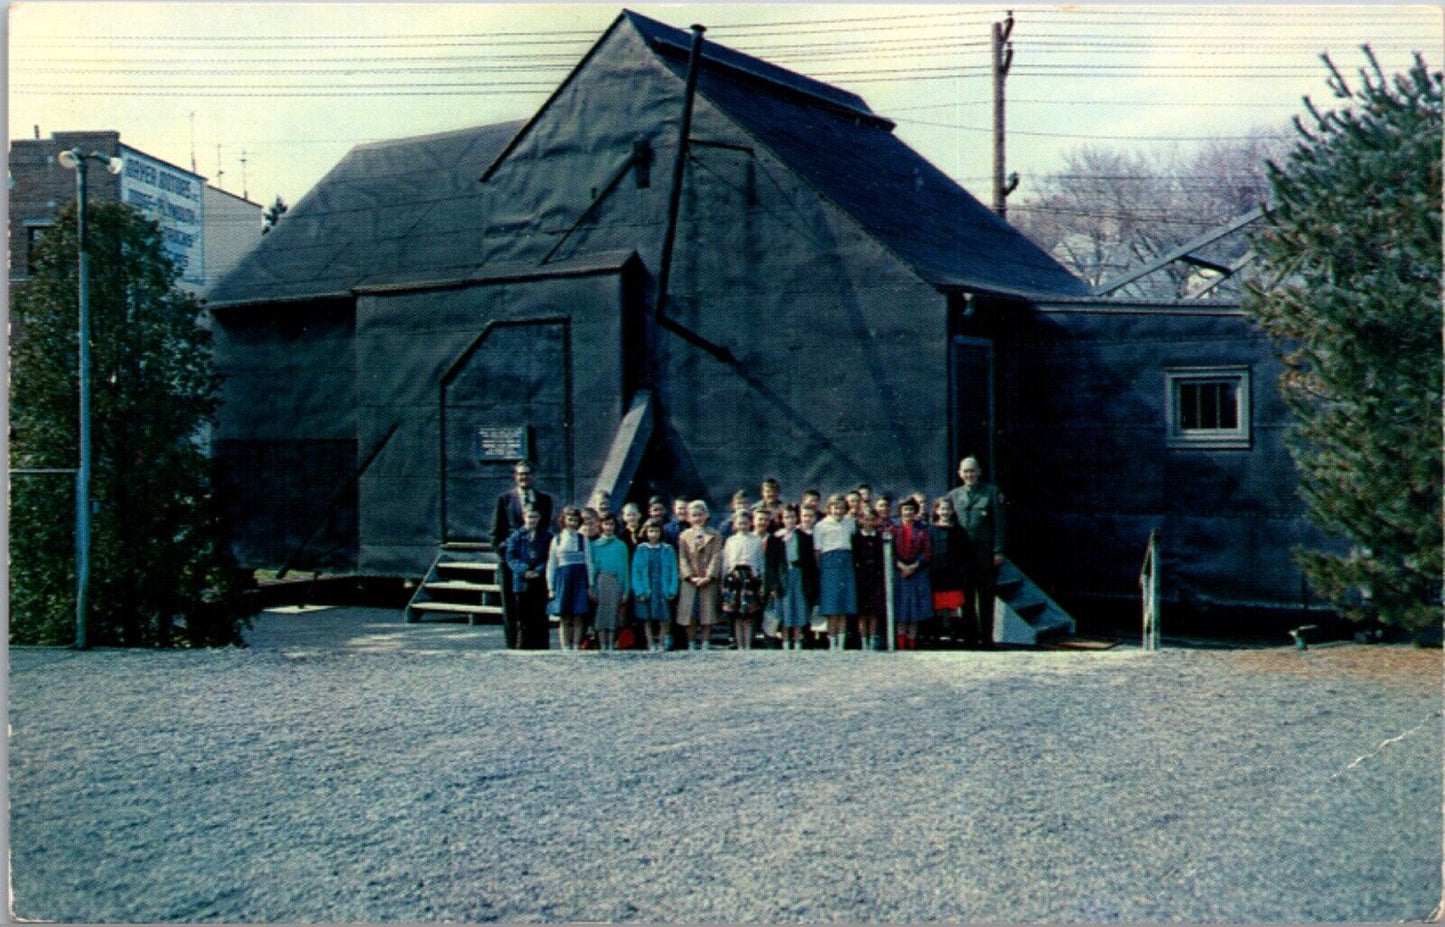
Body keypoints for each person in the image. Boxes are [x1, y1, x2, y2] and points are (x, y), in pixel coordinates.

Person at [491, 461, 555, 649]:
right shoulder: (505, 500)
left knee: (538, 606)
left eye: (527, 474)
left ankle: (539, 645)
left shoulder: (544, 500)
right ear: (515, 476)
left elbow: (544, 533)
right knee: (513, 609)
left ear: (533, 476)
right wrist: (509, 558)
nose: (524, 477)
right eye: (520, 474)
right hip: (512, 563)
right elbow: (495, 534)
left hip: (537, 564)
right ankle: (514, 646)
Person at [947, 456, 1006, 649]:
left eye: (972, 471)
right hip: (964, 556)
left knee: (986, 598)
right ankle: (971, 638)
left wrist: (998, 551)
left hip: (985, 555)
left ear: (979, 472)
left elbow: (999, 525)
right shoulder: (953, 495)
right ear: (959, 474)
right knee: (967, 599)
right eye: (965, 471)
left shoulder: (991, 493)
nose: (969, 475)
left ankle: (987, 639)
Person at [765, 503, 818, 651]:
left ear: (797, 518)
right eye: (787, 517)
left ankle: (798, 642)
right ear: (782, 519)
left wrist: (811, 584)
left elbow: (810, 563)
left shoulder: (804, 537)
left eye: (793, 516)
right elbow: (770, 565)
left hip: (799, 575)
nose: (790, 520)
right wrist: (773, 586)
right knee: (785, 609)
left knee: (799, 609)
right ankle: (786, 643)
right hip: (783, 577)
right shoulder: (775, 538)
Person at [503, 505, 552, 650]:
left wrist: (538, 570)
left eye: (535, 517)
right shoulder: (516, 536)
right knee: (523, 615)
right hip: (522, 581)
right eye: (530, 516)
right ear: (524, 517)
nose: (532, 520)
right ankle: (523, 644)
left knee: (540, 613)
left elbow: (550, 556)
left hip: (539, 579)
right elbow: (510, 556)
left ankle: (541, 644)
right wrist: (524, 570)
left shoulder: (546, 536)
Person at [814, 494, 857, 651]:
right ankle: (832, 643)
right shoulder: (821, 525)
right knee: (832, 607)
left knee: (844, 606)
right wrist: (822, 569)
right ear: (829, 508)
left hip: (846, 561)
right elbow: (817, 550)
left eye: (841, 507)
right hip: (829, 563)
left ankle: (841, 643)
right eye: (835, 507)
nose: (838, 510)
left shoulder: (850, 523)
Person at [676, 500, 722, 650]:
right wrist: (689, 576)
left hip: (707, 579)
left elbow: (716, 556)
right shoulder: (684, 536)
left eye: (700, 514)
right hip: (690, 580)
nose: (697, 518)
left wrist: (709, 576)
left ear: (706, 515)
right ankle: (691, 643)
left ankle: (706, 643)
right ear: (688, 518)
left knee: (707, 612)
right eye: (694, 515)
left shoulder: (715, 535)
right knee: (689, 613)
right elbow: (682, 557)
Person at [546, 507, 592, 651]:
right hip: (563, 579)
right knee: (564, 615)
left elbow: (589, 562)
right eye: (570, 520)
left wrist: (590, 583)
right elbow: (552, 563)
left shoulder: (582, 539)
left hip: (579, 579)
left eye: (575, 520)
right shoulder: (557, 539)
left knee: (578, 614)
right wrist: (551, 587)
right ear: (564, 521)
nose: (572, 523)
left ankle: (576, 645)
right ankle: (565, 645)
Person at [631, 518, 679, 652]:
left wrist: (672, 589)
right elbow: (636, 571)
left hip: (662, 586)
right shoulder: (641, 549)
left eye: (656, 531)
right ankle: (650, 642)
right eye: (650, 531)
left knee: (664, 616)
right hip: (647, 586)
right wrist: (639, 591)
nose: (653, 534)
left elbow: (674, 571)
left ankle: (662, 642)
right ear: (645, 532)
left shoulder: (668, 549)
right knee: (646, 617)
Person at [721, 508, 766, 650]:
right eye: (739, 523)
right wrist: (724, 581)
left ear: (750, 523)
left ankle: (748, 644)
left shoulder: (756, 540)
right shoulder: (731, 540)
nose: (743, 526)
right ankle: (739, 644)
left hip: (750, 577)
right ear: (735, 524)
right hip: (734, 577)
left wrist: (762, 580)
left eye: (745, 523)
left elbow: (760, 561)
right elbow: (726, 562)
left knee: (748, 613)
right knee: (735, 613)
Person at [891, 497, 932, 650]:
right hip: (900, 574)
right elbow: (889, 553)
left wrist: (914, 566)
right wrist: (901, 566)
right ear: (900, 511)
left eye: (911, 510)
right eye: (905, 509)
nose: (908, 512)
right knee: (901, 611)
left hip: (916, 573)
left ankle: (912, 643)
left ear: (915, 512)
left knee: (914, 611)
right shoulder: (893, 530)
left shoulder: (922, 531)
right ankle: (901, 645)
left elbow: (927, 553)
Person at [929, 497, 968, 647]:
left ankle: (954, 635)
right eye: (942, 509)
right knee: (938, 606)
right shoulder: (931, 530)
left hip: (953, 574)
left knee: (953, 606)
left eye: (948, 509)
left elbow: (965, 552)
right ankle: (938, 635)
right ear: (937, 511)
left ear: (952, 511)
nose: (945, 512)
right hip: (936, 573)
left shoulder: (958, 530)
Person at [589, 513, 630, 651]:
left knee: (613, 613)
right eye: (606, 524)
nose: (609, 527)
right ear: (601, 525)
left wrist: (625, 590)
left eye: (611, 524)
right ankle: (602, 643)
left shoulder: (621, 545)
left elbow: (624, 568)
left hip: (615, 581)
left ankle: (611, 643)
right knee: (601, 613)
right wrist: (591, 587)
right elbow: (592, 568)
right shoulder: (594, 545)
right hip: (600, 581)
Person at [852, 508, 887, 651]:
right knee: (862, 612)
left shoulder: (880, 537)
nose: (869, 522)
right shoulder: (855, 538)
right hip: (861, 577)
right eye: (866, 519)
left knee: (873, 612)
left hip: (875, 577)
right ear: (861, 521)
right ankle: (863, 642)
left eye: (872, 519)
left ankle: (872, 640)